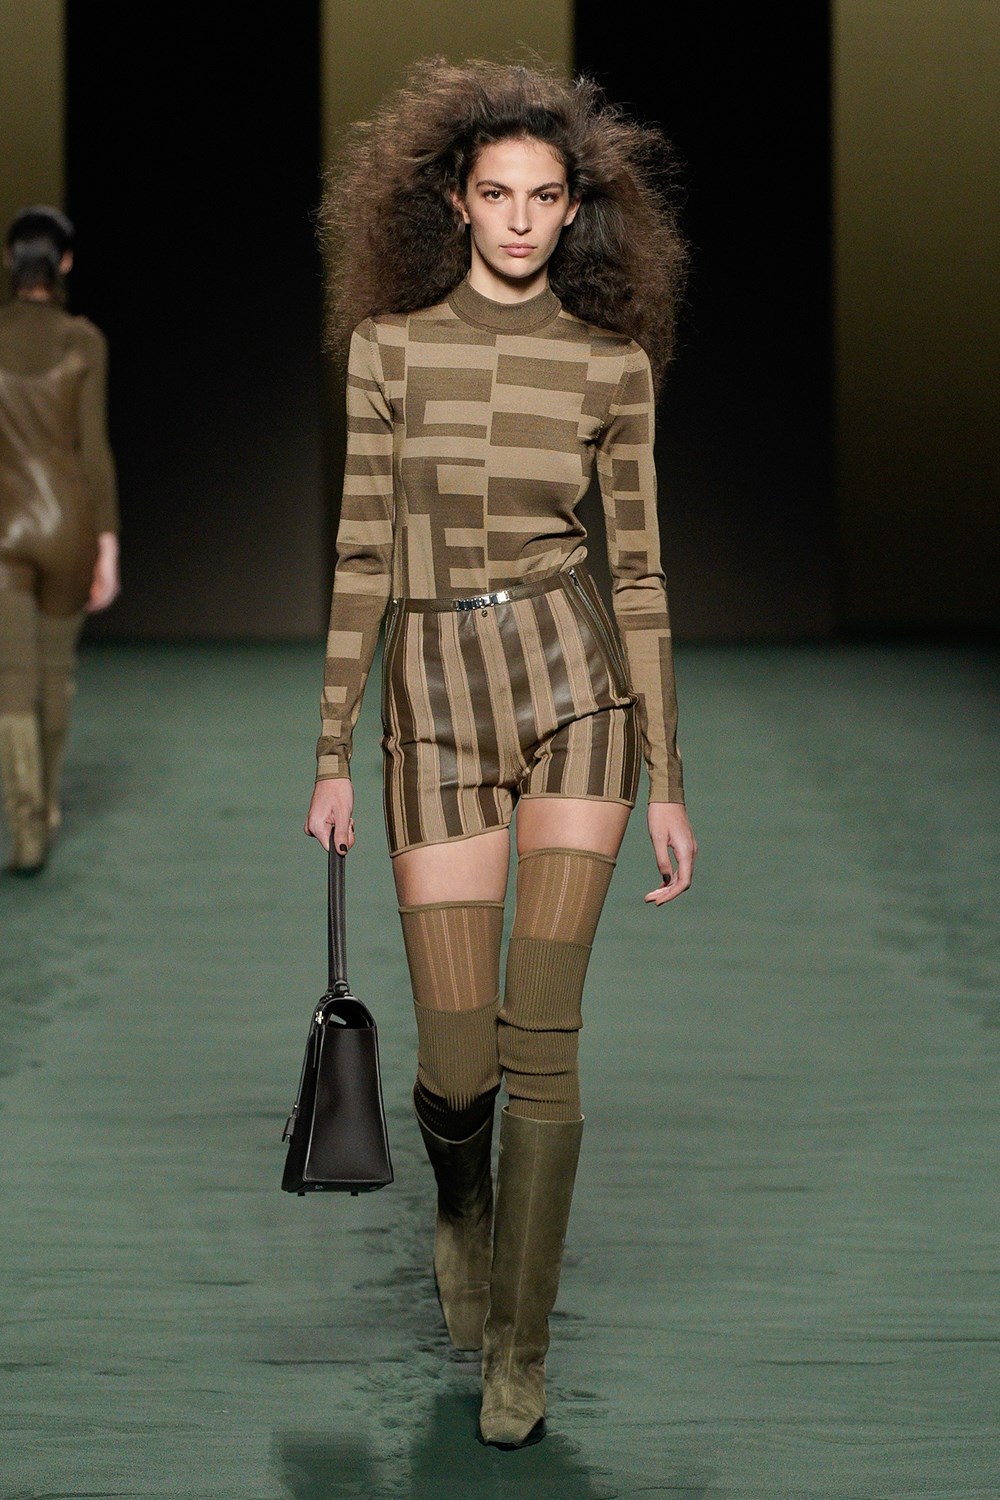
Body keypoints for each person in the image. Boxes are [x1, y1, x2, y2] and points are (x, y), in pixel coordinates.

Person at [304, 58, 697, 1448]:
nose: (520, 220)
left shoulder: (610, 367)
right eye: (496, 195)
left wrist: (669, 774)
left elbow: (637, 575)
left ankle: (521, 1353)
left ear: (576, 208)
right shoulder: (389, 353)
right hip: (435, 697)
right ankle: (461, 1208)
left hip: (574, 688)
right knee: (458, 1058)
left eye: (544, 197)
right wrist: (332, 747)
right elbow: (361, 551)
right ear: (456, 204)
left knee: (544, 1036)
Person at [0, 205, 120, 874]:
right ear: (66, 261)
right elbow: (93, 451)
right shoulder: (84, 341)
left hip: (4, 528)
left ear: (10, 261)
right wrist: (109, 543)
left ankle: (26, 830)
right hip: (69, 524)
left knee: (13, 681)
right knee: (54, 675)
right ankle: (45, 806)